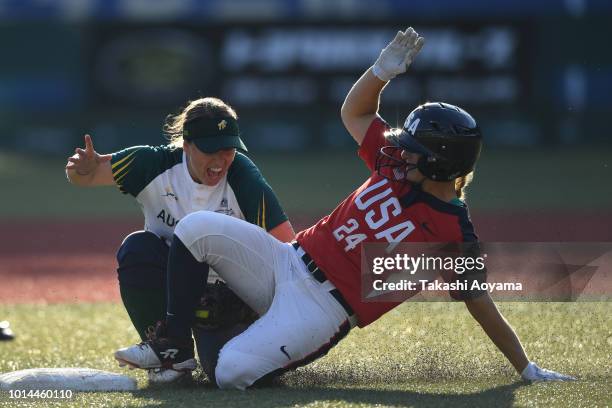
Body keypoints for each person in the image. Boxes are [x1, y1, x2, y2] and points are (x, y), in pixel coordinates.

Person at [114, 28, 575, 388]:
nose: (402, 151)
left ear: (440, 162)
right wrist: (380, 72)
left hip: (323, 310)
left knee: (228, 373)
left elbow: (479, 302)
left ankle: (238, 339)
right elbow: (354, 113)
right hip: (288, 261)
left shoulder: (452, 229)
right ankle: (175, 345)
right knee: (195, 227)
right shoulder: (396, 168)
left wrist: (525, 367)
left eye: (414, 148)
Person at [65, 97, 295, 383]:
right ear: (186, 144)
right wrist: (80, 169)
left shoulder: (242, 175)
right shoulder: (153, 163)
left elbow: (287, 248)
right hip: (175, 289)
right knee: (137, 249)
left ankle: (230, 343)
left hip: (229, 299)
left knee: (226, 374)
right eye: (210, 149)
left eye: (228, 149)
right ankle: (171, 355)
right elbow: (85, 176)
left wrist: (266, 314)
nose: (221, 160)